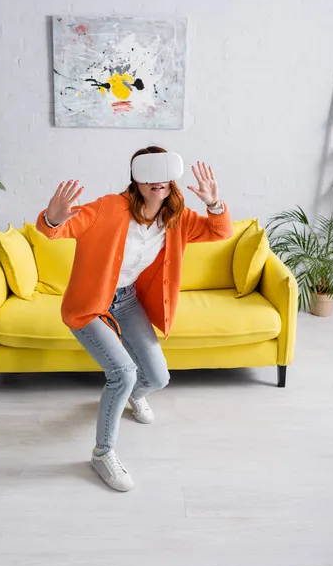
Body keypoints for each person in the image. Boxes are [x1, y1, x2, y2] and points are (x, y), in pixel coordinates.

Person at [36, 146, 233, 492]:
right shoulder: (109, 208)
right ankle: (102, 454)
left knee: (157, 378)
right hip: (89, 306)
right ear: (136, 180)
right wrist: (52, 218)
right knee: (122, 373)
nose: (157, 182)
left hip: (126, 301)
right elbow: (56, 230)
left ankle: (129, 394)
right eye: (149, 175)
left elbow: (220, 232)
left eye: (164, 174)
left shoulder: (177, 217)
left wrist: (214, 204)